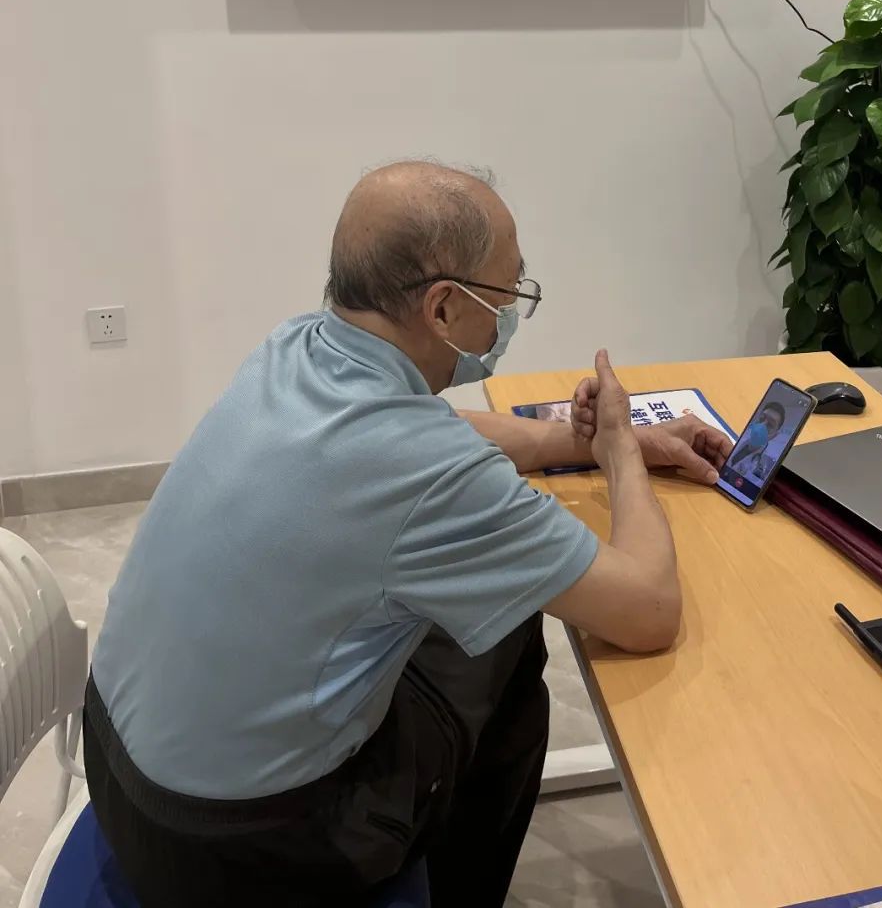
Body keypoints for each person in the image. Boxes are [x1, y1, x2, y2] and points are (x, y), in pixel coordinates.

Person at [83, 161, 730, 908]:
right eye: (509, 293)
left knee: (465, 619)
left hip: (120, 766)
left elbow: (440, 428)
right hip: (241, 852)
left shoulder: (295, 348)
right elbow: (650, 609)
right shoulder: (429, 472)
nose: (510, 315)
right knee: (509, 633)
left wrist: (579, 442)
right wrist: (619, 448)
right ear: (444, 308)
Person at [727, 400, 786, 479]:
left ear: (774, 435)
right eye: (761, 418)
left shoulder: (765, 467)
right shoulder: (736, 441)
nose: (761, 426)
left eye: (770, 425)